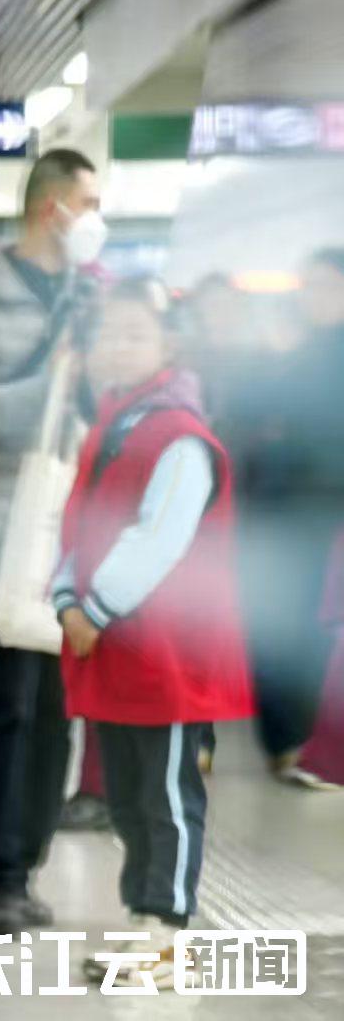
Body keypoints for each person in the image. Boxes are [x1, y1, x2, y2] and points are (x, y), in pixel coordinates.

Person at [52, 279, 252, 985]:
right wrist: (65, 595)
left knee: (165, 798)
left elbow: (157, 537)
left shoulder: (178, 435)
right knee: (129, 799)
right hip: (116, 647)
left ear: (169, 344)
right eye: (108, 333)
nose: (117, 346)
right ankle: (144, 926)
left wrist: (91, 607)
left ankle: (168, 937)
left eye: (134, 333)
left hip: (164, 652)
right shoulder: (115, 422)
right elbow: (78, 521)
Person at [0, 147, 104, 932]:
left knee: (55, 707)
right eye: (90, 203)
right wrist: (47, 388)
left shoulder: (88, 295)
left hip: (68, 529)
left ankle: (22, 859)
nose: (95, 219)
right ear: (54, 208)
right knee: (4, 702)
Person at [246, 249, 344, 785]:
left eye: (327, 286)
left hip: (324, 512)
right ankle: (287, 743)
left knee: (315, 630)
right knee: (288, 626)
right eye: (310, 286)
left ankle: (303, 743)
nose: (316, 297)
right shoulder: (293, 353)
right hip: (289, 512)